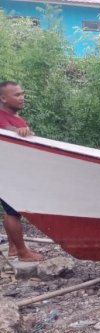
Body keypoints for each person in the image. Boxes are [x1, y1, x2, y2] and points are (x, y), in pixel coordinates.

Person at [0, 81, 44, 262]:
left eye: (22, 93)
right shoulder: (2, 117)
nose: (22, 97)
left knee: (9, 209)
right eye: (16, 95)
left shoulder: (16, 117)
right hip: (6, 171)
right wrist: (19, 131)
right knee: (13, 211)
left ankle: (12, 249)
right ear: (3, 98)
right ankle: (23, 253)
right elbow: (7, 130)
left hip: (11, 170)